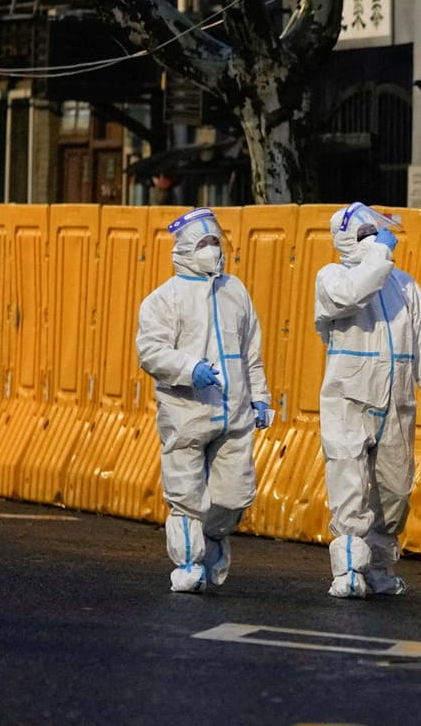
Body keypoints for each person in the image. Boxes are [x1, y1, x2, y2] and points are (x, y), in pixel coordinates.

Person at [315, 202, 421, 598]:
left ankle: (378, 567)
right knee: (350, 486)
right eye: (363, 236)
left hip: (396, 403)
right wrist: (379, 254)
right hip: (349, 399)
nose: (373, 242)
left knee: (395, 491)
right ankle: (348, 570)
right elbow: (354, 294)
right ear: (343, 241)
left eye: (376, 234)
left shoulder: (404, 285)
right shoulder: (333, 277)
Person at [136, 207, 272, 593]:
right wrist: (188, 367)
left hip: (235, 413)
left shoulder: (235, 291)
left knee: (235, 496)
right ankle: (189, 563)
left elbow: (251, 352)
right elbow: (150, 351)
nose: (212, 250)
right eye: (204, 244)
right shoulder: (164, 300)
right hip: (186, 413)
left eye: (216, 242)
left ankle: (210, 544)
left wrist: (259, 396)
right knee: (186, 497)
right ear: (184, 250)